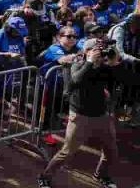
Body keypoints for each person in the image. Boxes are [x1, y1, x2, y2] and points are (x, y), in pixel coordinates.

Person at [37, 38, 127, 188]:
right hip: (80, 116)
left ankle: (101, 174)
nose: (101, 52)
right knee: (67, 152)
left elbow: (122, 77)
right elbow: (75, 81)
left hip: (102, 115)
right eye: (97, 49)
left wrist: (115, 58)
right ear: (87, 51)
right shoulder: (76, 64)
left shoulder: (104, 67)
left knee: (111, 150)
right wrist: (90, 62)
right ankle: (45, 176)